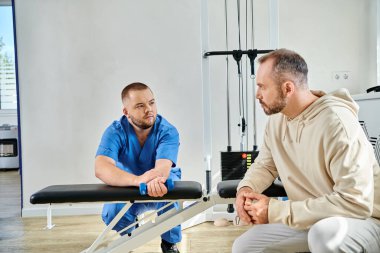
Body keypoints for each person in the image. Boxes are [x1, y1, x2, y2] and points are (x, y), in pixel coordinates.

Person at [233, 49, 380, 253]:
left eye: (262, 87)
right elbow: (266, 165)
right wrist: (246, 189)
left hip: (363, 221)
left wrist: (275, 210)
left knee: (325, 236)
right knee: (245, 247)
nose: (257, 95)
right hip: (310, 217)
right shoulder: (277, 120)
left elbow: (356, 203)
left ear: (287, 88)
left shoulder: (336, 123)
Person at [95, 82, 181, 253]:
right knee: (113, 212)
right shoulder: (115, 131)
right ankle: (128, 237)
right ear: (126, 112)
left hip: (160, 183)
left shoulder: (168, 131)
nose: (149, 109)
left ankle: (169, 243)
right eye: (140, 106)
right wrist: (137, 180)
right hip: (129, 184)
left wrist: (154, 178)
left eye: (152, 102)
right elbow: (101, 167)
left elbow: (162, 169)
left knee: (171, 199)